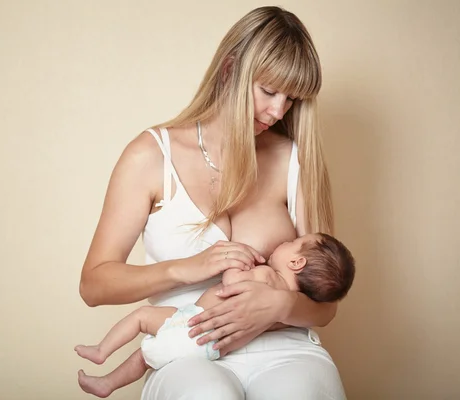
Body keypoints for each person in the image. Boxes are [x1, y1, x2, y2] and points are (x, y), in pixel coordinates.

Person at [79, 5, 348, 399]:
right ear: (230, 70)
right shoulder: (152, 156)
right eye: (269, 90)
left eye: (291, 99)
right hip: (188, 345)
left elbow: (326, 306)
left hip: (285, 348)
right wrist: (185, 269)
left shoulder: (293, 159)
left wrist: (278, 308)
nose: (277, 111)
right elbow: (93, 285)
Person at [76, 233, 355, 398]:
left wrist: (235, 264)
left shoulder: (268, 276)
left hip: (195, 325)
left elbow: (233, 287)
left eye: (294, 241)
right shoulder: (284, 293)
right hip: (207, 339)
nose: (286, 241)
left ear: (296, 262)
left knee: (142, 318)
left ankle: (103, 355)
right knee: (144, 358)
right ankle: (107, 382)